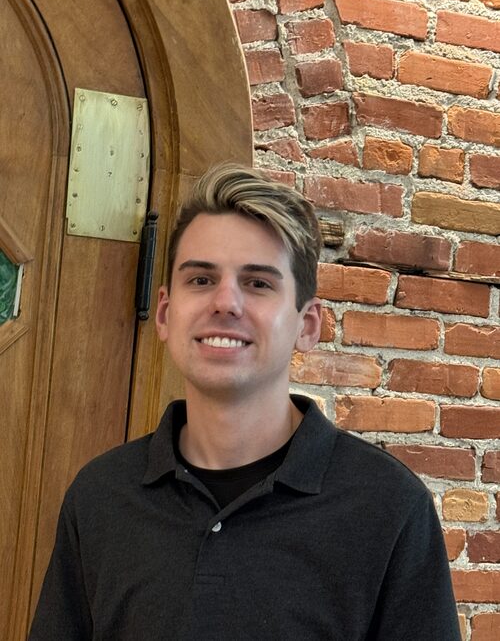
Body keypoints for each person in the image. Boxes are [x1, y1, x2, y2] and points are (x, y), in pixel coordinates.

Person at [30, 164, 461, 640]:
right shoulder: (101, 497)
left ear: (307, 325)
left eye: (258, 283)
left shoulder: (388, 508)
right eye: (201, 279)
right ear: (167, 314)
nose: (225, 302)